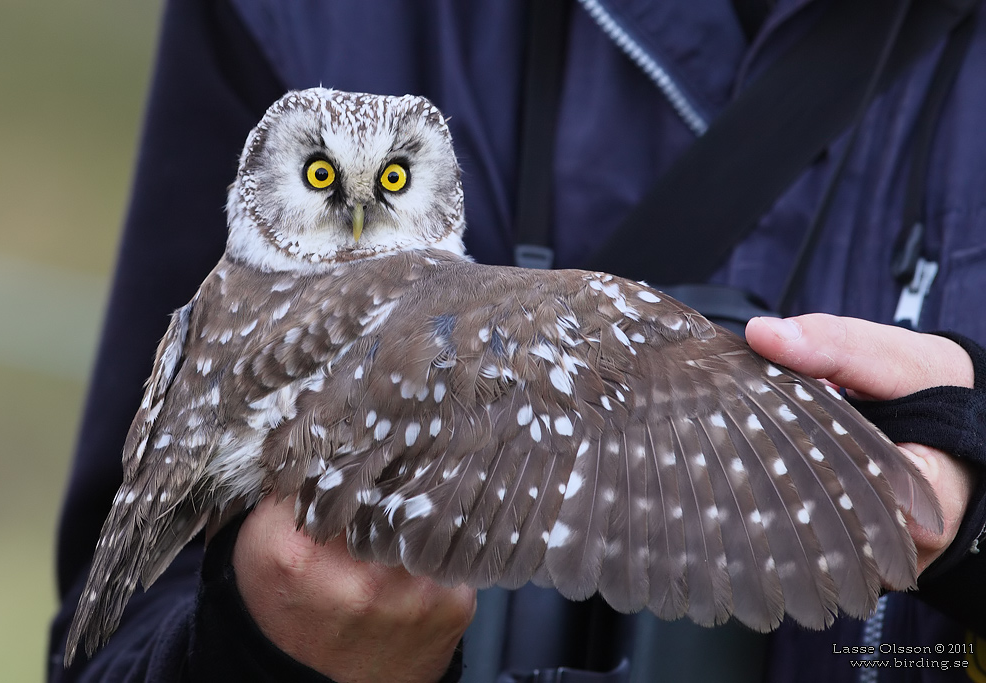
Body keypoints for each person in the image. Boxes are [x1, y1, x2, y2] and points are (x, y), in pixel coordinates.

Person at [48, 0, 986, 681]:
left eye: (395, 180)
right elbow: (111, 624)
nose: (362, 210)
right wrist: (253, 655)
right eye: (323, 175)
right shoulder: (293, 24)